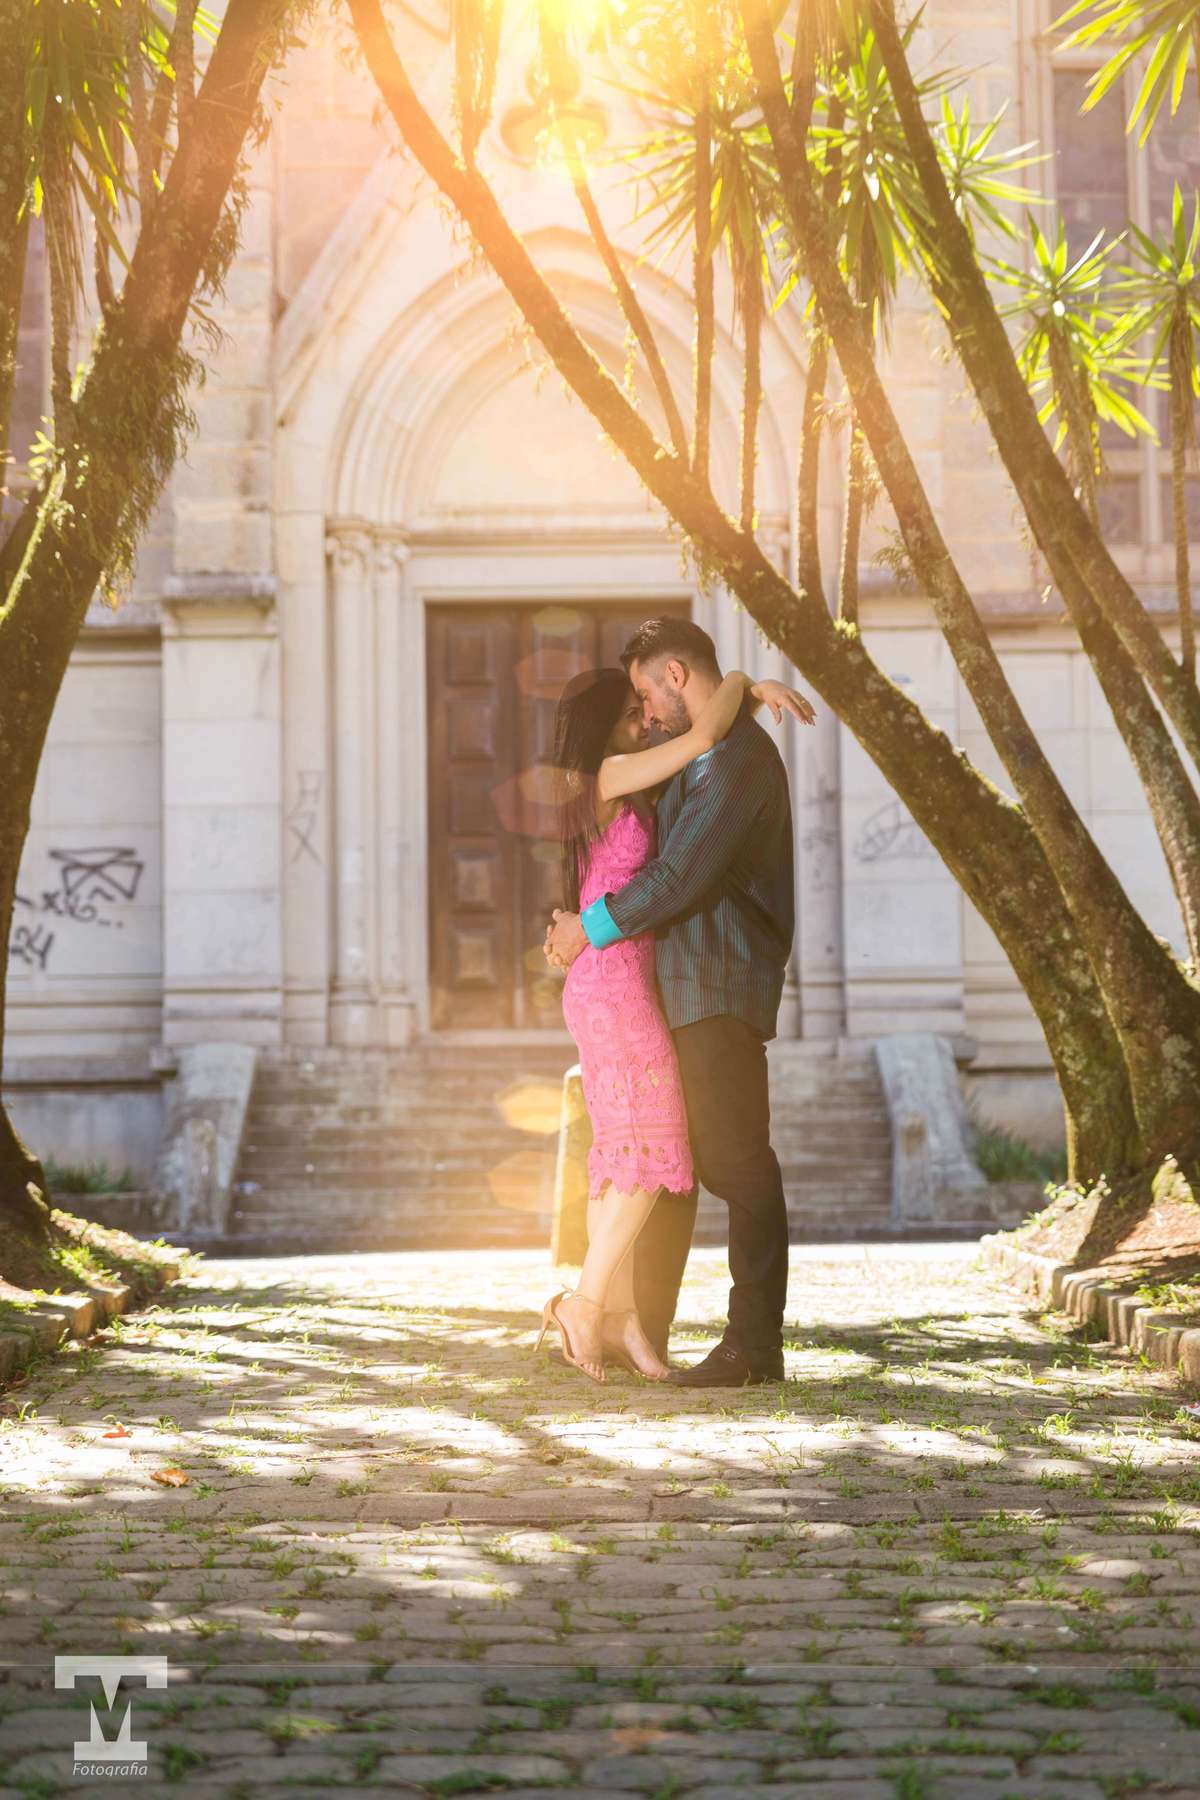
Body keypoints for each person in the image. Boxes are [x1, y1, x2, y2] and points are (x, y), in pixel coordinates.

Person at [545, 618, 805, 1388]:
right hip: (668, 989)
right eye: (632, 708)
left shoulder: (733, 761)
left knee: (733, 1163)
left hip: (715, 988)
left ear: (675, 677)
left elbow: (680, 875)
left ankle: (752, 1345)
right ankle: (633, 1323)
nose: (647, 713)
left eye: (647, 696)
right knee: (668, 1160)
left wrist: (583, 930)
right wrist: (744, 689)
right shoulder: (669, 763)